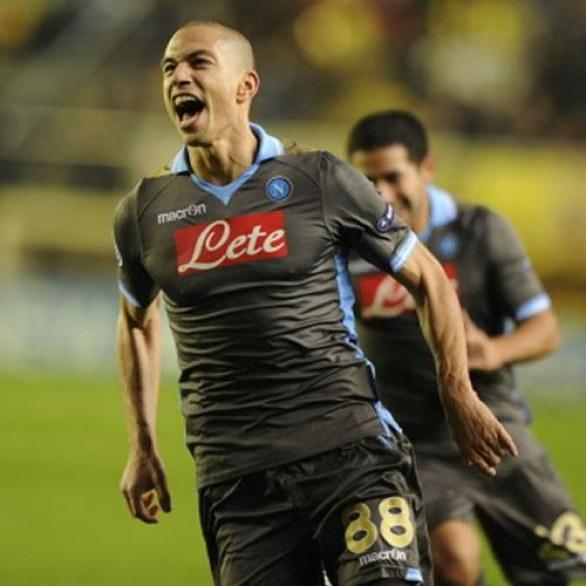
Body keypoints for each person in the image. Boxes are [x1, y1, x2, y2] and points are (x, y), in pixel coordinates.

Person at [113, 22, 517, 586]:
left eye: (198, 63)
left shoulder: (318, 179)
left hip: (350, 452)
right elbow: (136, 321)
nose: (179, 76)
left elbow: (428, 276)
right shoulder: (145, 212)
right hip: (238, 481)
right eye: (169, 67)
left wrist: (458, 392)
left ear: (245, 85)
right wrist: (142, 443)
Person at [347, 110, 586, 586]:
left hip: (498, 430)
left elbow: (544, 328)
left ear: (427, 168)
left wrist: (493, 352)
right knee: (454, 560)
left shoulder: (480, 231)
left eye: (392, 177)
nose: (382, 194)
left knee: (563, 570)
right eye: (367, 181)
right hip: (415, 445)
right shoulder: (350, 246)